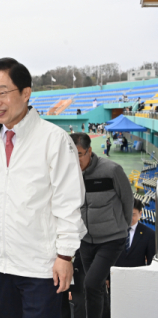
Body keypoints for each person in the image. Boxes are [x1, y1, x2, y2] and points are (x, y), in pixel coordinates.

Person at [0, 58, 87, 318]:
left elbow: (68, 203)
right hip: (1, 266)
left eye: (2, 93)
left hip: (41, 268)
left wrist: (65, 256)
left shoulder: (53, 139)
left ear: (26, 93)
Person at [70, 133, 133, 318]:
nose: (75, 160)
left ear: (90, 151)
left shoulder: (112, 170)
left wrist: (121, 227)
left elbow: (127, 200)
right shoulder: (70, 174)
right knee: (97, 287)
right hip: (86, 240)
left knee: (90, 284)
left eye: (79, 154)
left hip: (112, 239)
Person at [114, 198, 156, 268]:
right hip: (115, 276)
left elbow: (151, 263)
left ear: (140, 214)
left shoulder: (149, 234)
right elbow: (106, 257)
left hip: (137, 277)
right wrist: (107, 278)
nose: (129, 218)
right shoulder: (113, 231)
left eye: (133, 214)